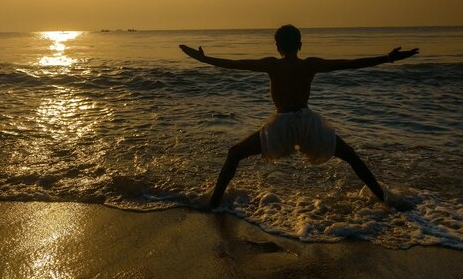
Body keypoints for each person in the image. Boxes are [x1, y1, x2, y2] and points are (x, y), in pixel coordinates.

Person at [179, 24, 419, 211]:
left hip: (281, 127)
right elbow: (350, 64)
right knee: (351, 157)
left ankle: (213, 204)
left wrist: (204, 59)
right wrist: (388, 58)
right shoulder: (309, 65)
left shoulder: (272, 65)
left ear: (277, 46)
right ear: (300, 45)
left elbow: (232, 64)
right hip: (308, 125)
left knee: (234, 154)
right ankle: (384, 199)